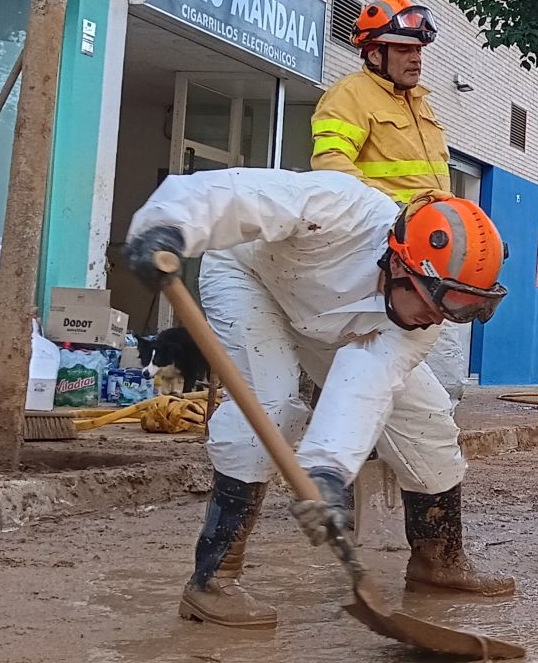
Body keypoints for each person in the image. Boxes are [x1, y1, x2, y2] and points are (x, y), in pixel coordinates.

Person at [125, 169, 517, 628]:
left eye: (457, 308)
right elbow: (232, 195)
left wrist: (327, 474)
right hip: (253, 284)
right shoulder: (340, 206)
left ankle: (438, 562)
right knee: (268, 410)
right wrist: (166, 227)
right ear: (398, 264)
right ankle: (213, 579)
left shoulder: (418, 324)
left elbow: (363, 389)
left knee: (426, 422)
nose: (438, 318)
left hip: (337, 324)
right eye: (435, 303)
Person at [310, 0, 472, 402]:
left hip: (428, 253)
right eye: (403, 49)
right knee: (370, 355)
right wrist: (390, 213)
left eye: (418, 50)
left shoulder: (422, 105)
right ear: (374, 52)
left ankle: (401, 442)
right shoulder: (351, 95)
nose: (415, 58)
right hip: (381, 250)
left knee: (440, 370)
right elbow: (330, 163)